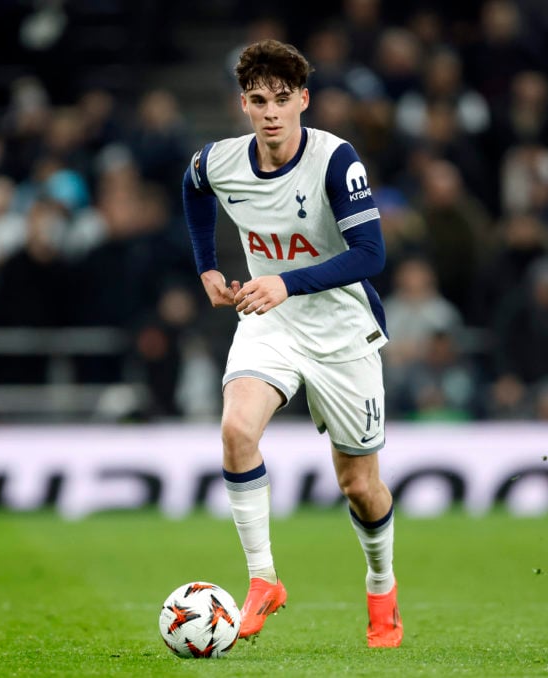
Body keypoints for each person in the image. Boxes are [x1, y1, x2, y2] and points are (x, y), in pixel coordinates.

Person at [181, 39, 402, 648]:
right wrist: (206, 266)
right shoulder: (221, 160)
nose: (271, 112)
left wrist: (284, 281)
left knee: (359, 483)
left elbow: (371, 255)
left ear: (303, 100)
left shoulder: (335, 160)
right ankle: (263, 580)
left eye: (283, 99)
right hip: (268, 321)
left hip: (339, 329)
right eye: (259, 100)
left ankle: (381, 584)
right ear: (244, 105)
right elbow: (194, 186)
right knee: (235, 431)